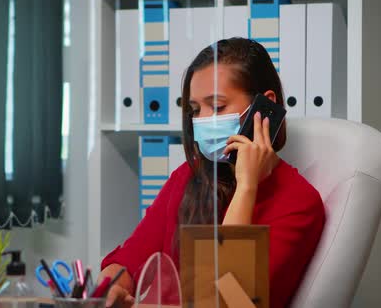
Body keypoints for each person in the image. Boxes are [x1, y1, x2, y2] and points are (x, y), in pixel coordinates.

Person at [99, 38, 326, 308]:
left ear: (264, 107)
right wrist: (109, 289)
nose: (202, 120)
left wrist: (246, 188)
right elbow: (129, 260)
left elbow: (225, 302)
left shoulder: (299, 203)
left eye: (217, 107)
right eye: (195, 109)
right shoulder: (188, 176)